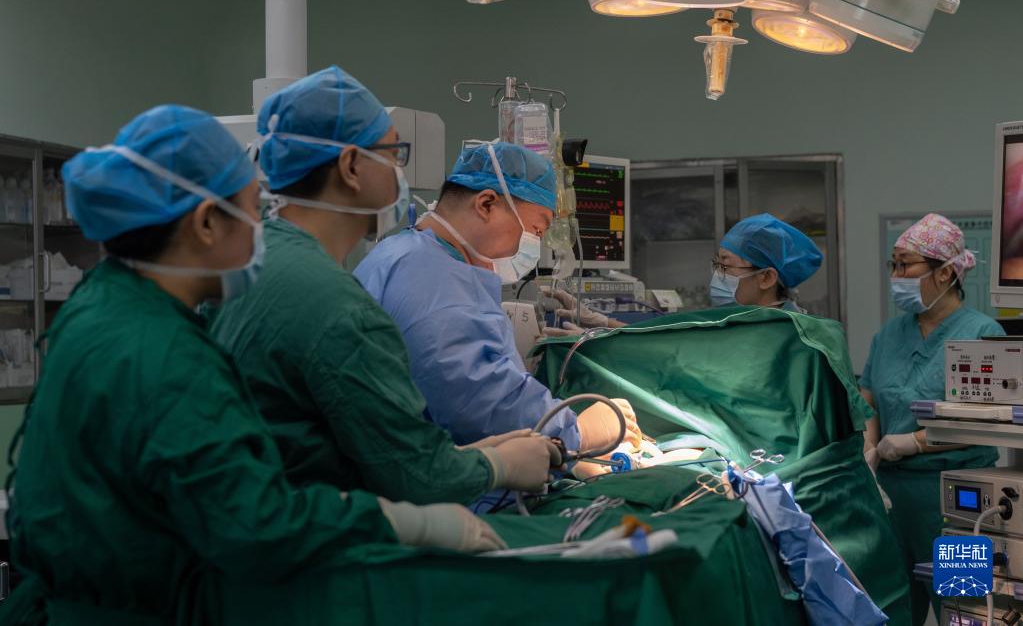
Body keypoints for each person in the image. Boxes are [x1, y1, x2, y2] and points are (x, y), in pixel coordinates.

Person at [5, 105, 505, 623]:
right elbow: (257, 525)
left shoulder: (101, 302)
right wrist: (406, 523)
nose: (261, 231)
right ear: (206, 223)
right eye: (253, 209)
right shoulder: (166, 356)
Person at [211, 67, 560, 509]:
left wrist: (469, 455)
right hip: (310, 528)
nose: (401, 173)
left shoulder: (245, 265)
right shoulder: (336, 305)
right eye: (394, 155)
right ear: (351, 167)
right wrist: (496, 465)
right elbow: (414, 473)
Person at [354, 140, 641, 501]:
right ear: (486, 204)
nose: (533, 245)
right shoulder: (429, 278)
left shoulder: (413, 257)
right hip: (430, 497)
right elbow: (476, 404)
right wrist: (575, 433)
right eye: (537, 230)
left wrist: (567, 458)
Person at [860, 213, 1002, 626]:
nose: (896, 275)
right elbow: (869, 398)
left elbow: (986, 420)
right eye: (893, 265)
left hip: (958, 500)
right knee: (889, 611)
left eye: (905, 265)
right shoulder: (888, 335)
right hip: (890, 500)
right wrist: (869, 447)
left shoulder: (982, 335)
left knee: (964, 613)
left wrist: (916, 441)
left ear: (944, 273)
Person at [709, 213, 823, 311]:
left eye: (726, 266)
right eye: (716, 265)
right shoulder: (728, 324)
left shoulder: (795, 330)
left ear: (767, 278)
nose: (716, 275)